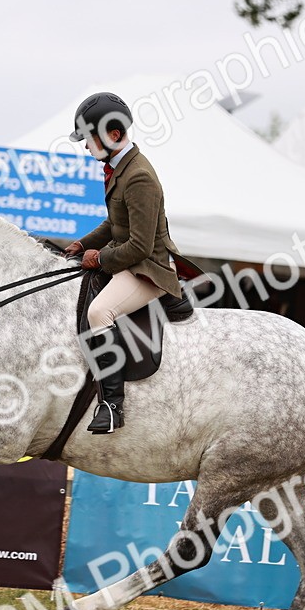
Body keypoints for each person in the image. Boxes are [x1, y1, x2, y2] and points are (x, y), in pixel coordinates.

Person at [62, 91, 184, 435]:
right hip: (130, 257)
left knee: (99, 313)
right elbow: (116, 224)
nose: (86, 146)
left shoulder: (139, 176)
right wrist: (83, 244)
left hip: (149, 269)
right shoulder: (122, 167)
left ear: (113, 135)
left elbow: (141, 246)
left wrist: (98, 257)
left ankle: (112, 406)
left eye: (89, 138)